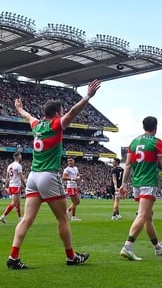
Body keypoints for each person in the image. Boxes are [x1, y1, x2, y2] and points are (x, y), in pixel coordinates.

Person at [6, 79, 100, 269]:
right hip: (49, 176)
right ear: (57, 113)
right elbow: (74, 112)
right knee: (63, 219)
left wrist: (19, 108)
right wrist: (88, 95)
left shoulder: (37, 125)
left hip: (33, 176)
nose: (64, 113)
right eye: (61, 111)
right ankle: (71, 256)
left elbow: (27, 116)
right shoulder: (56, 125)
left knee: (26, 219)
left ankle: (13, 257)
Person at [118, 116, 162, 260]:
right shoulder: (157, 142)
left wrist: (124, 184)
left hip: (136, 183)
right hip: (148, 183)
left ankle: (157, 247)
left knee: (148, 217)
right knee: (143, 215)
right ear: (155, 127)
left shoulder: (133, 142)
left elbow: (127, 165)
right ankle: (128, 246)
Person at [0, 152, 26, 223]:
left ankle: (20, 218)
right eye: (21, 156)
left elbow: (7, 178)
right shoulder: (18, 166)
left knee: (18, 203)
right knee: (14, 203)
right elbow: (21, 177)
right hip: (16, 185)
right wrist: (26, 185)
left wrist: (5, 186)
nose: (21, 158)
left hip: (11, 185)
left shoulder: (9, 166)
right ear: (18, 157)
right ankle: (3, 216)